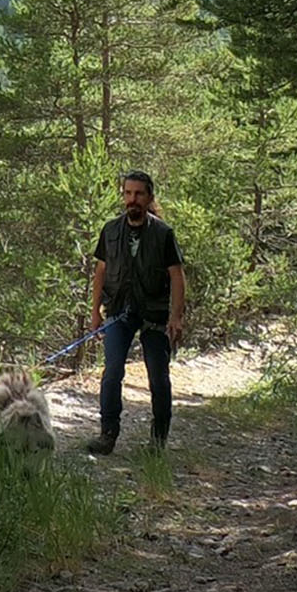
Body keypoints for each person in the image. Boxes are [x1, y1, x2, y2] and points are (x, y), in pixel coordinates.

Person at [86, 170, 186, 454]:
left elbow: (177, 275)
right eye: (128, 193)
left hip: (154, 313)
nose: (133, 199)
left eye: (139, 194)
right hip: (119, 310)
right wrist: (95, 312)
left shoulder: (163, 234)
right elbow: (100, 271)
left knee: (157, 375)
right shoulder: (110, 230)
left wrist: (176, 316)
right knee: (112, 370)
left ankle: (158, 439)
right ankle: (108, 433)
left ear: (149, 197)